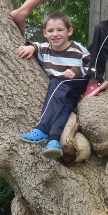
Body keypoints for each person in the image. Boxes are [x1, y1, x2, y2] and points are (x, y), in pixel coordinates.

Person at [17, 12, 90, 159]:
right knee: (65, 106)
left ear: (69, 31)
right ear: (45, 33)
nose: (55, 34)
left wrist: (76, 71)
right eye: (50, 31)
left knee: (56, 82)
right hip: (63, 92)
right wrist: (31, 48)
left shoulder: (77, 48)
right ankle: (54, 140)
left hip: (77, 83)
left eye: (60, 30)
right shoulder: (45, 49)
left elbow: (93, 66)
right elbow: (36, 46)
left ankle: (42, 128)